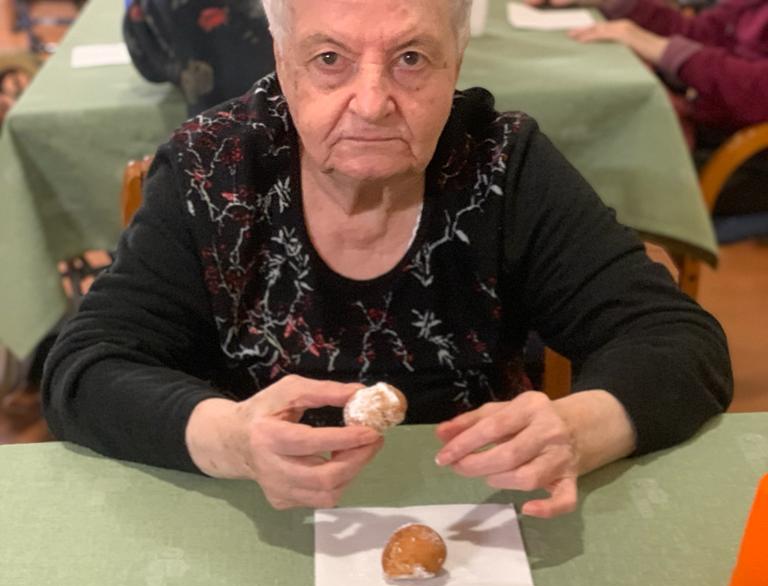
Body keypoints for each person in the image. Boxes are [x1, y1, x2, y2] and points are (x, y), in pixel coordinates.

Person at [43, 0, 732, 517]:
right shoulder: (212, 168)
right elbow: (86, 368)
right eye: (329, 59)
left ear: (456, 61)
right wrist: (231, 438)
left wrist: (578, 429)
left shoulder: (502, 165)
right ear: (282, 62)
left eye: (411, 59)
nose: (372, 104)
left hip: (475, 517)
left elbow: (676, 340)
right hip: (258, 516)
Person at [537, 0, 768, 140]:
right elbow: (702, 32)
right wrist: (619, 5)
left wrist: (662, 49)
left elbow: (759, 93)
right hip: (708, 113)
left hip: (740, 150)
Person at [123, 0, 275, 115]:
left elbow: (148, 67)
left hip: (212, 123)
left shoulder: (144, 6)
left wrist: (179, 73)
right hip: (275, 109)